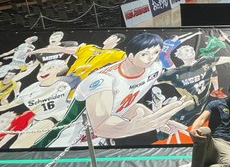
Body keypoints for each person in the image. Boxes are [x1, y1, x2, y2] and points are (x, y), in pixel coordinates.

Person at [34, 33, 189, 148]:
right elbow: (101, 125)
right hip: (71, 130)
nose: (151, 58)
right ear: (130, 56)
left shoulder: (154, 68)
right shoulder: (104, 80)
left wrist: (158, 121)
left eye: (156, 53)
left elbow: (127, 107)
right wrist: (133, 127)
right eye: (144, 54)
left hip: (102, 133)